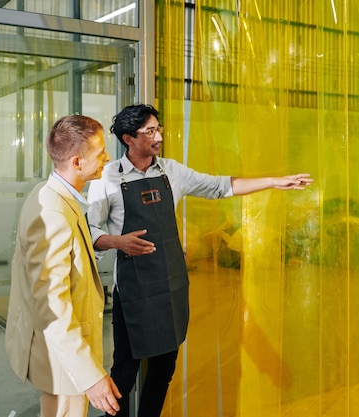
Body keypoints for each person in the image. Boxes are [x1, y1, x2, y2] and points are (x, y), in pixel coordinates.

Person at [86, 104, 313, 417]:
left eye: (158, 129)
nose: (159, 136)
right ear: (129, 138)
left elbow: (221, 186)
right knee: (125, 371)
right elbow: (90, 230)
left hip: (171, 286)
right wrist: (116, 241)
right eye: (149, 131)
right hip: (134, 291)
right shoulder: (108, 178)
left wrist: (274, 181)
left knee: (164, 368)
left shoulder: (171, 171)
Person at [5, 115, 122, 417]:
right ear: (77, 162)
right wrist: (90, 376)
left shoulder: (52, 195)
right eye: (100, 153)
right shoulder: (53, 212)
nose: (108, 158)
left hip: (62, 358)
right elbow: (51, 307)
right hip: (65, 363)